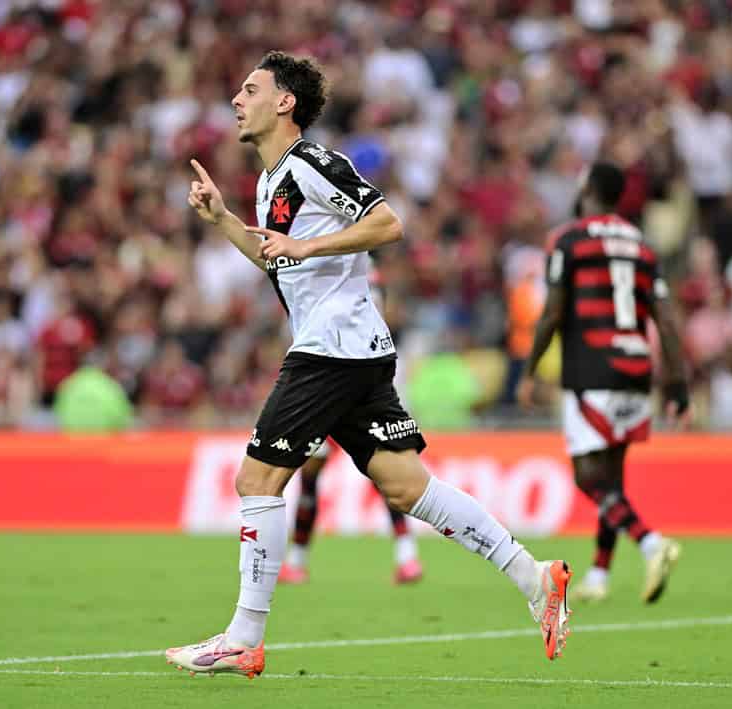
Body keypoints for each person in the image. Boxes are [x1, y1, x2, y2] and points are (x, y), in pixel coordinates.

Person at [165, 51, 573, 679]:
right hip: (353, 350)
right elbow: (276, 257)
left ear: (284, 103)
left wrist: (309, 242)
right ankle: (533, 575)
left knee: (256, 483)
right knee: (409, 487)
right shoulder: (271, 180)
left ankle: (244, 638)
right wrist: (223, 220)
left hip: (330, 349)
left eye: (249, 89)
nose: (235, 101)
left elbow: (387, 222)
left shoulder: (313, 163)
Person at [517, 162, 690, 605]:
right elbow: (666, 322)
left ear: (589, 190)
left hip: (591, 367)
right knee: (612, 477)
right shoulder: (644, 246)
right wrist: (678, 386)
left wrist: (529, 369)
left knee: (587, 477)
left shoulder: (568, 239)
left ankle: (652, 542)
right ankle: (599, 574)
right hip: (636, 368)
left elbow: (553, 312)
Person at [278, 437, 424, 585]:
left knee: (309, 478)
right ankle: (408, 558)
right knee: (382, 477)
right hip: (362, 418)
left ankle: (296, 562)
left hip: (325, 418)